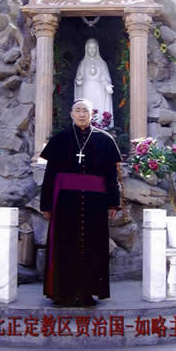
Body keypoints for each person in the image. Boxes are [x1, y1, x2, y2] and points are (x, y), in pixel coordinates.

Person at [40, 99, 122, 307]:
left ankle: (88, 292)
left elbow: (112, 175)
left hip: (96, 203)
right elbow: (49, 175)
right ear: (71, 114)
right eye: (78, 110)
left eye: (85, 110)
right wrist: (46, 205)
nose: (82, 114)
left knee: (93, 246)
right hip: (64, 202)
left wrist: (113, 203)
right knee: (64, 244)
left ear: (92, 113)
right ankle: (62, 293)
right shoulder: (60, 139)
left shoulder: (105, 139)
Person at [74, 38, 114, 125]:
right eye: (90, 48)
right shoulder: (83, 63)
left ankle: (100, 124)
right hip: (86, 90)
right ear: (86, 49)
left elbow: (105, 78)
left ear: (97, 49)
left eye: (94, 48)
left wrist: (107, 85)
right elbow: (78, 81)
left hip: (99, 90)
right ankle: (86, 124)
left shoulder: (102, 63)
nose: (92, 50)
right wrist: (79, 80)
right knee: (86, 107)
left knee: (99, 108)